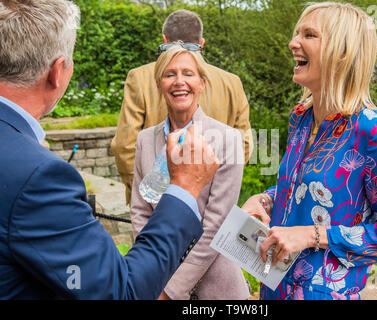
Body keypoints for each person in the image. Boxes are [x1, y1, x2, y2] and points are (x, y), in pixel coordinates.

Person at [0, 0, 219, 299]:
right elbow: (118, 292)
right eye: (170, 74)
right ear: (58, 71)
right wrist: (183, 189)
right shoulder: (39, 176)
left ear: (203, 83)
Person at [241, 2, 377, 300]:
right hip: (274, 289)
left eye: (309, 35)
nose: (292, 42)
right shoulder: (301, 117)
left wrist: (313, 235)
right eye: (297, 33)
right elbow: (304, 188)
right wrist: (265, 200)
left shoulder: (375, 129)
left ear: (343, 52)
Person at [130, 43, 250, 300]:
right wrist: (151, 272)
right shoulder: (144, 140)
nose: (179, 81)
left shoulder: (228, 139)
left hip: (216, 285)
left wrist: (170, 290)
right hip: (156, 278)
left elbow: (217, 224)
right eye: (170, 74)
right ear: (159, 84)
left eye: (188, 73)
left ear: (202, 83)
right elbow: (140, 212)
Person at [110, 9, 253, 205]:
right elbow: (243, 145)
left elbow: (124, 146)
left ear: (164, 39)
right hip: (215, 203)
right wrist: (217, 188)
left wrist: (150, 196)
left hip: (155, 207)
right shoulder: (232, 82)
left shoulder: (140, 77)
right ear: (202, 43)